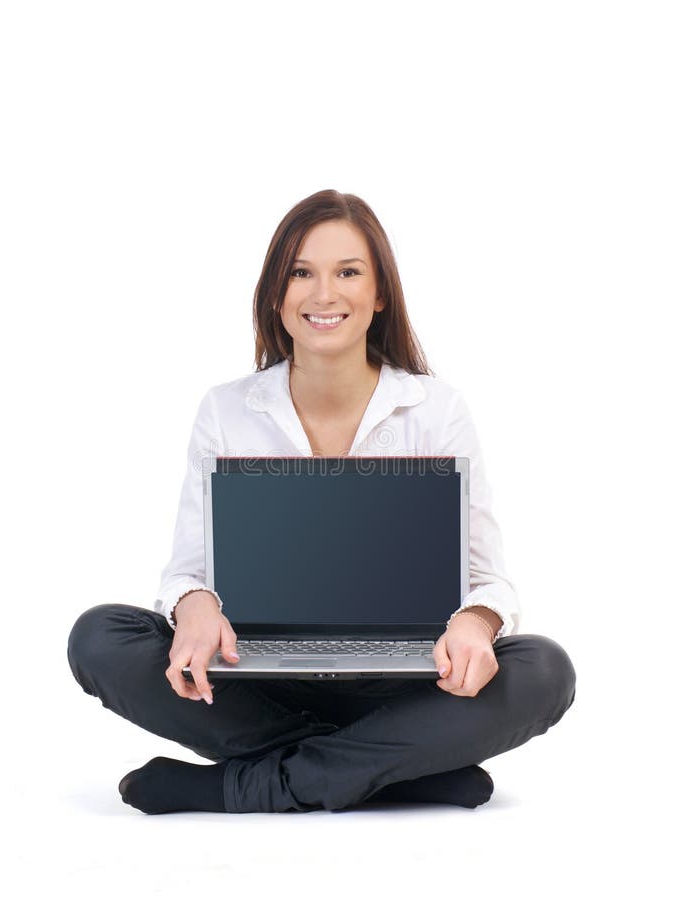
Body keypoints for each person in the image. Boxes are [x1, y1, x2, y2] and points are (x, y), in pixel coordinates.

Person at [67, 189, 576, 815]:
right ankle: (394, 773)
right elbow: (188, 571)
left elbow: (489, 581)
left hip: (404, 686)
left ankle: (245, 787)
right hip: (255, 683)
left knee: (545, 671)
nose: (323, 294)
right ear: (275, 293)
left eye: (348, 272)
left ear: (380, 293)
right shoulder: (226, 409)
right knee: (99, 636)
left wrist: (474, 625)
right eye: (301, 273)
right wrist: (196, 606)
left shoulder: (435, 409)